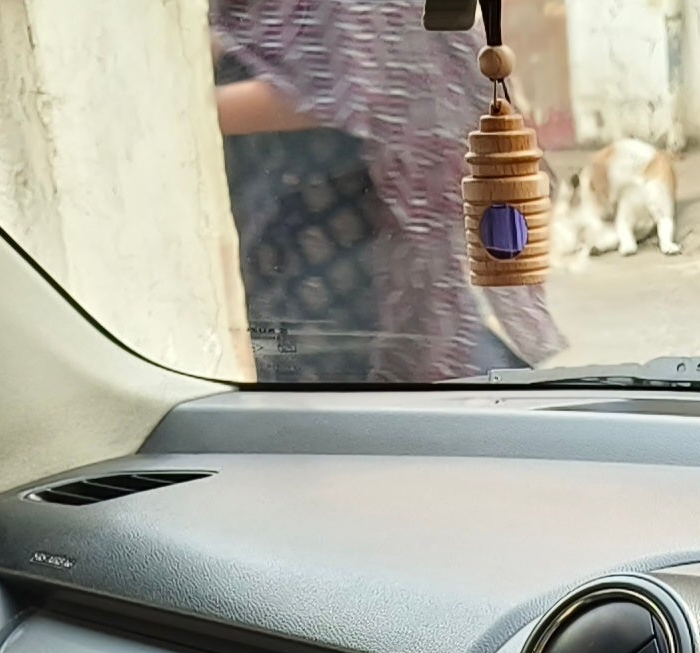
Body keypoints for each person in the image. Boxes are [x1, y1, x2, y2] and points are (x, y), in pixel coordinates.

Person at [211, 0, 561, 385]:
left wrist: (192, 108)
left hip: (348, 232)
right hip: (289, 231)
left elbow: (353, 87)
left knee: (394, 365)